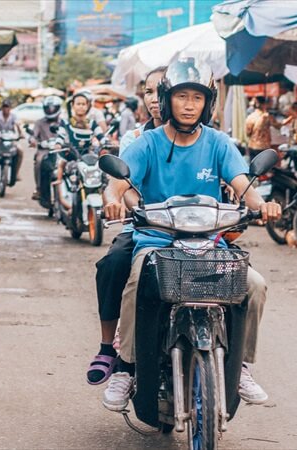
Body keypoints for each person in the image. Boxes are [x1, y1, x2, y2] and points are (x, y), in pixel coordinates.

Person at [99, 58, 281, 412]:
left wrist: (263, 204)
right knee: (136, 284)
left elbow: (243, 185)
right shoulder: (147, 143)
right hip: (156, 244)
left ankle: (240, 365)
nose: (189, 105)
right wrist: (111, 202)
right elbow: (117, 184)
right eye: (182, 96)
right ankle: (126, 365)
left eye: (196, 98)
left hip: (208, 245)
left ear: (207, 104)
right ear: (168, 100)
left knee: (255, 285)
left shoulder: (218, 143)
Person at [86, 66, 166, 386]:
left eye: (161, 91)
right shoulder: (137, 138)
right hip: (146, 227)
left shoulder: (207, 138)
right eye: (148, 92)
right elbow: (122, 182)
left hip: (197, 230)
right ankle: (109, 347)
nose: (155, 99)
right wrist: (121, 202)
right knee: (113, 263)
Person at [31, 95, 62, 201]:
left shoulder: (63, 122)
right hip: (44, 150)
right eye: (48, 108)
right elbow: (34, 136)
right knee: (39, 161)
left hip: (60, 150)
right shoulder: (39, 122)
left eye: (53, 108)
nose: (51, 110)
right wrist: (33, 141)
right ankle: (38, 188)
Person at [0, 99, 24, 184]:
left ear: (10, 108)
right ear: (2, 108)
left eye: (7, 107)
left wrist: (21, 134)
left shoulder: (13, 116)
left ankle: (16, 172)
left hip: (10, 140)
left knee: (20, 151)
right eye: (4, 107)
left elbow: (18, 126)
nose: (6, 109)